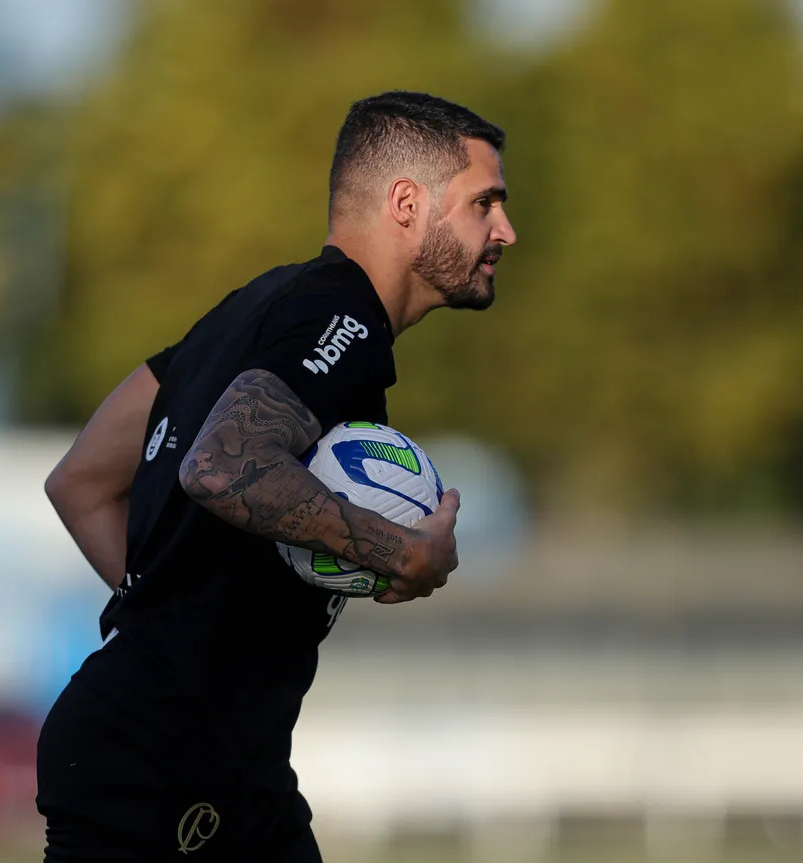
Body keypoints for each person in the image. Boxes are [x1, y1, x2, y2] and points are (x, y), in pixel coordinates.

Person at [36, 90, 516, 862]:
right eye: (484, 203)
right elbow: (224, 465)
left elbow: (81, 482)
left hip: (189, 748)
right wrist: (403, 552)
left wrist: (170, 616)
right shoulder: (342, 320)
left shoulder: (251, 309)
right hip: (171, 757)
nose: (506, 230)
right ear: (406, 203)